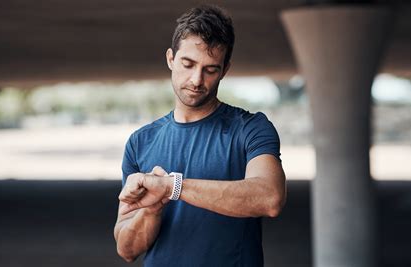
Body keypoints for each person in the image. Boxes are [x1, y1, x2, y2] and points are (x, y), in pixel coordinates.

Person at [113, 5, 286, 267]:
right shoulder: (141, 141)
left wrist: (172, 187)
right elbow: (127, 249)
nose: (196, 79)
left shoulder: (250, 128)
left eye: (211, 69)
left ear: (225, 70)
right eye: (188, 64)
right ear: (171, 58)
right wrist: (151, 210)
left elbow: (269, 198)